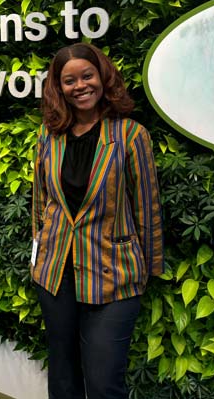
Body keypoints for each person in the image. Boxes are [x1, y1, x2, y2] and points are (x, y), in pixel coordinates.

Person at [31, 43, 164, 399]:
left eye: (87, 76)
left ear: (102, 77)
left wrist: (149, 268)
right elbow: (40, 203)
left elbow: (147, 206)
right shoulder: (49, 135)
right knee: (62, 377)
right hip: (56, 275)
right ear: (58, 88)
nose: (80, 86)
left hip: (114, 276)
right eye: (69, 80)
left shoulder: (130, 135)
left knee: (104, 384)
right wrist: (39, 254)